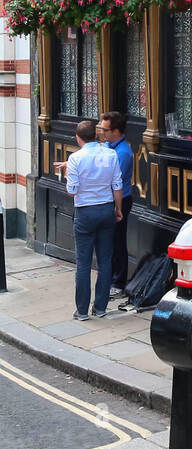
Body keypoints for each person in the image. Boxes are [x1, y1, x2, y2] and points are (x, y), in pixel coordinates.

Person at [54, 119, 123, 321]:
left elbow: (72, 191)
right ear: (96, 135)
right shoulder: (111, 154)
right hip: (106, 209)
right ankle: (100, 308)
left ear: (78, 137)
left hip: (85, 212)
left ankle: (82, 311)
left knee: (83, 263)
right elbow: (117, 184)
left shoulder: (75, 158)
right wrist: (117, 208)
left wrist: (67, 174)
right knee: (105, 261)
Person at [97, 112, 134, 296]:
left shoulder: (123, 153)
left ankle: (118, 282)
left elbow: (113, 181)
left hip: (120, 200)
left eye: (106, 130)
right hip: (111, 199)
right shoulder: (110, 146)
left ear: (116, 131)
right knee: (110, 242)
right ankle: (111, 277)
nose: (103, 133)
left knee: (118, 242)